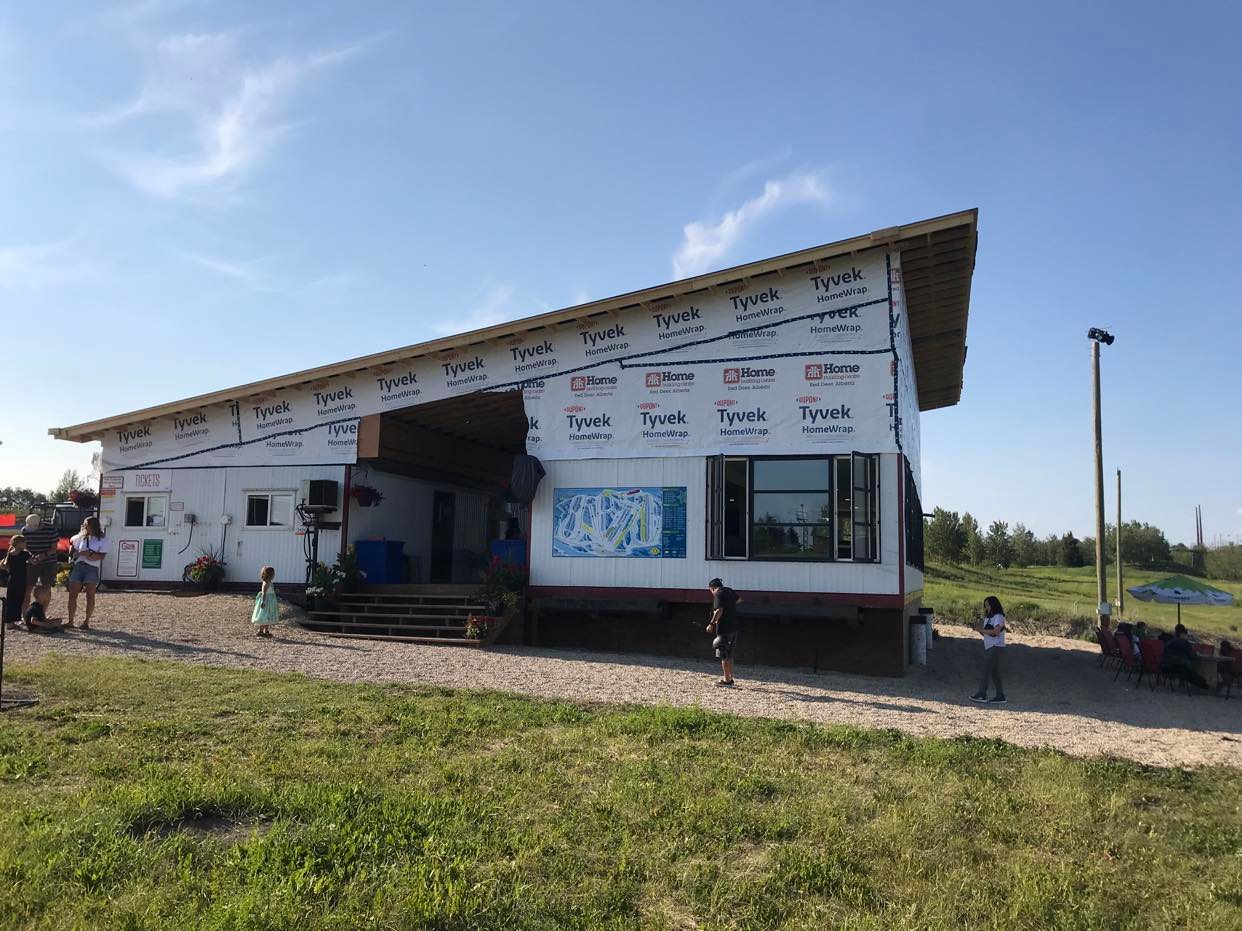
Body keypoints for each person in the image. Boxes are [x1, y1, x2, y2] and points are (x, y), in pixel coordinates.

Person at [67, 516, 108, 630]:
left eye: (87, 525)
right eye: (84, 525)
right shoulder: (80, 538)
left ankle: (86, 621)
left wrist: (88, 554)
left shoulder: (102, 539)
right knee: (72, 595)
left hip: (92, 567)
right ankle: (70, 621)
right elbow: (73, 548)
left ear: (93, 526)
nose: (85, 527)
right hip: (79, 566)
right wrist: (73, 554)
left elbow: (102, 556)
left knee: (90, 596)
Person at [970, 595, 1007, 704]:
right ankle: (1000, 696)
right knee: (994, 672)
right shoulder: (988, 618)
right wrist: (978, 629)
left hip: (996, 646)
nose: (986, 608)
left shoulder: (999, 616)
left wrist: (982, 630)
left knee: (986, 670)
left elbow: (995, 632)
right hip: (990, 646)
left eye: (988, 605)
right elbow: (987, 634)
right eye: (985, 606)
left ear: (993, 605)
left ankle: (982, 694)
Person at [20, 514, 59, 615]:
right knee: (27, 588)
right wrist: (30, 557)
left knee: (46, 588)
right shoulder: (25, 530)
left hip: (49, 563)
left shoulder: (51, 529)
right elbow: (24, 547)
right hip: (32, 562)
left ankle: (42, 614)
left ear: (40, 523)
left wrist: (43, 555)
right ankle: (25, 615)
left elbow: (54, 548)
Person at [706, 578, 741, 687]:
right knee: (730, 655)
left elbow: (719, 610)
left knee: (724, 655)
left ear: (713, 588)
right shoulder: (729, 591)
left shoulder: (718, 594)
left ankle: (727, 681)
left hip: (724, 628)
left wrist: (711, 624)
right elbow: (739, 600)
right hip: (734, 627)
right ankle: (730, 678)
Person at [1160, 623, 1210, 690]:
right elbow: (1192, 656)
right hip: (1176, 666)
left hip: (1165, 666)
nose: (1187, 636)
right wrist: (1197, 654)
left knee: (1187, 670)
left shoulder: (1169, 642)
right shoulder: (1184, 643)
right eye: (1186, 635)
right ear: (1182, 634)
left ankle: (1202, 684)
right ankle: (1205, 685)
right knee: (1190, 669)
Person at [2, 534, 31, 628]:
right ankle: (14, 619)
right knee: (19, 600)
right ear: (19, 543)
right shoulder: (25, 554)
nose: (26, 544)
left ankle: (9, 621)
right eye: (24, 542)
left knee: (10, 600)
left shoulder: (10, 553)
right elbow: (33, 561)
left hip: (12, 579)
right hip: (21, 579)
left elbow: (6, 566)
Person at [251, 566, 278, 638]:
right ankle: (261, 631)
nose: (274, 575)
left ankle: (266, 631)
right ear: (270, 575)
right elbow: (264, 593)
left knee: (267, 616)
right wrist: (263, 601)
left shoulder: (270, 582)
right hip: (267, 601)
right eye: (273, 574)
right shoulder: (266, 583)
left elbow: (271, 591)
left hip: (270, 602)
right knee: (264, 616)